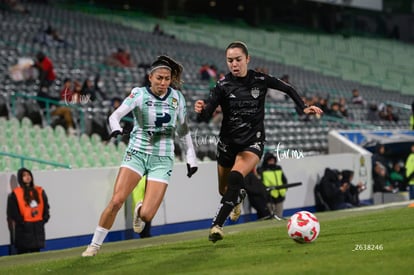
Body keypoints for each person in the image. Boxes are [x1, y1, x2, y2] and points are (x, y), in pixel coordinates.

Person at [194, 41, 323, 243]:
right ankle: (237, 198)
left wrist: (303, 107)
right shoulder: (222, 85)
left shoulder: (260, 79)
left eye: (238, 59)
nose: (234, 64)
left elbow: (287, 88)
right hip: (227, 144)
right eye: (230, 60)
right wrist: (201, 110)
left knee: (236, 176)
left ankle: (217, 225)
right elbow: (206, 115)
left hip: (252, 142)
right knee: (225, 189)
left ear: (247, 59)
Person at [82, 55, 198, 256]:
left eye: (167, 79)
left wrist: (191, 157)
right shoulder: (139, 94)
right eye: (159, 78)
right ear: (150, 77)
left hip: (162, 159)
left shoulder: (177, 98)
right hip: (137, 153)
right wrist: (116, 128)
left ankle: (140, 209)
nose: (163, 83)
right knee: (117, 200)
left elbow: (184, 129)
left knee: (147, 215)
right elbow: (114, 116)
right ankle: (94, 245)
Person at [6, 168, 50, 254]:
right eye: (24, 175)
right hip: (23, 229)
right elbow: (13, 212)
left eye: (28, 175)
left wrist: (44, 219)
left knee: (36, 254)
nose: (27, 177)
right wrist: (22, 223)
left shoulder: (39, 190)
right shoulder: (15, 194)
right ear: (20, 178)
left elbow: (46, 206)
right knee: (23, 254)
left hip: (37, 227)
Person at [259, 152, 288, 219]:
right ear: (266, 161)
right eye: (269, 160)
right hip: (269, 195)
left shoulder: (278, 168)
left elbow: (284, 179)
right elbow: (261, 182)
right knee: (272, 216)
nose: (271, 161)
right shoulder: (262, 170)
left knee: (279, 215)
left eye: (272, 160)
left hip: (280, 194)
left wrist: (284, 188)